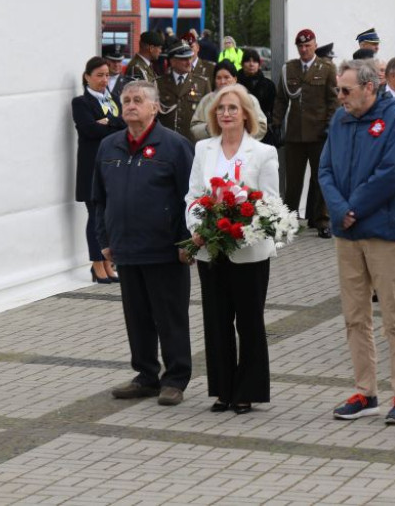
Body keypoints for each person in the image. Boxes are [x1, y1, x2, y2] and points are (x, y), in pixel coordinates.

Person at [318, 59, 395, 424]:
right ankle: (366, 390)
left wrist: (353, 208)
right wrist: (339, 209)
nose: (340, 97)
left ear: (370, 88)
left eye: (346, 91)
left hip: (384, 231)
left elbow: (393, 172)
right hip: (348, 234)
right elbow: (325, 168)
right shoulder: (341, 119)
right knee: (355, 316)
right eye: (338, 91)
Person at [93, 81, 195, 406]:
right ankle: (146, 375)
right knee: (136, 317)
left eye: (138, 100)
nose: (131, 105)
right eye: (126, 100)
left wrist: (187, 241)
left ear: (155, 107)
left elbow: (190, 198)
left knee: (170, 316)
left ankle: (176, 378)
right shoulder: (109, 146)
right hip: (126, 247)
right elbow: (98, 199)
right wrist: (104, 241)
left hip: (166, 248)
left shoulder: (175, 146)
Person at [186, 84, 279, 414]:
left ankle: (248, 390)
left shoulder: (264, 152)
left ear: (246, 114)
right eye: (221, 108)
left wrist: (244, 225)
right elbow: (194, 195)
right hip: (211, 248)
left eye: (232, 108)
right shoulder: (203, 150)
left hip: (248, 249)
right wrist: (199, 228)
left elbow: (269, 202)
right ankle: (223, 389)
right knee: (216, 320)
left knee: (249, 320)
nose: (226, 113)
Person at [272, 29, 338, 238]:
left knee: (321, 178)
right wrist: (276, 123)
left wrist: (329, 126)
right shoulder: (290, 68)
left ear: (315, 45)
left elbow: (332, 101)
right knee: (293, 180)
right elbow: (282, 99)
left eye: (308, 45)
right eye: (300, 46)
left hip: (319, 133)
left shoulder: (327, 68)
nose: (304, 49)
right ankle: (289, 219)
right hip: (294, 134)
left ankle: (321, 220)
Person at [72, 57, 124, 284]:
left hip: (113, 166)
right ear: (87, 77)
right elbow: (89, 130)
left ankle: (107, 261)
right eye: (99, 75)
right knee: (95, 216)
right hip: (91, 168)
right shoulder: (80, 103)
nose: (104, 80)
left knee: (109, 217)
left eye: (106, 75)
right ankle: (96, 263)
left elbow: (123, 124)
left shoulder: (112, 99)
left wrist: (107, 122)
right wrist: (109, 124)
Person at [190, 61, 267, 142]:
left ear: (235, 79)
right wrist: (209, 129)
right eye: (219, 78)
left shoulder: (249, 99)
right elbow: (195, 126)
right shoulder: (207, 100)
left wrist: (240, 135)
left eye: (226, 77)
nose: (222, 82)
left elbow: (261, 126)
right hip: (213, 149)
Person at [157, 41, 211, 140]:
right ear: (172, 61)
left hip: (192, 143)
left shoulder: (202, 83)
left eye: (190, 58)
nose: (189, 62)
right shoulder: (159, 83)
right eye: (184, 59)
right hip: (166, 142)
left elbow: (209, 117)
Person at [238, 47, 278, 145]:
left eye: (255, 61)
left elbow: (274, 109)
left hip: (263, 131)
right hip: (240, 131)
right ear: (242, 64)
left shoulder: (268, 85)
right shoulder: (236, 84)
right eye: (248, 61)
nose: (251, 64)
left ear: (259, 64)